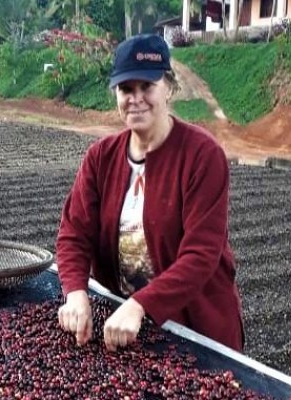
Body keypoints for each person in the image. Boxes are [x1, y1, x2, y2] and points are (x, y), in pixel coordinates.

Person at [56, 33, 244, 352]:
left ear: (169, 88)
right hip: (130, 329)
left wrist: (140, 304)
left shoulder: (202, 155)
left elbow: (201, 254)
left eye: (147, 86)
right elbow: (74, 233)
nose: (136, 98)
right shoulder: (101, 157)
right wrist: (75, 292)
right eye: (126, 89)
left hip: (197, 330)